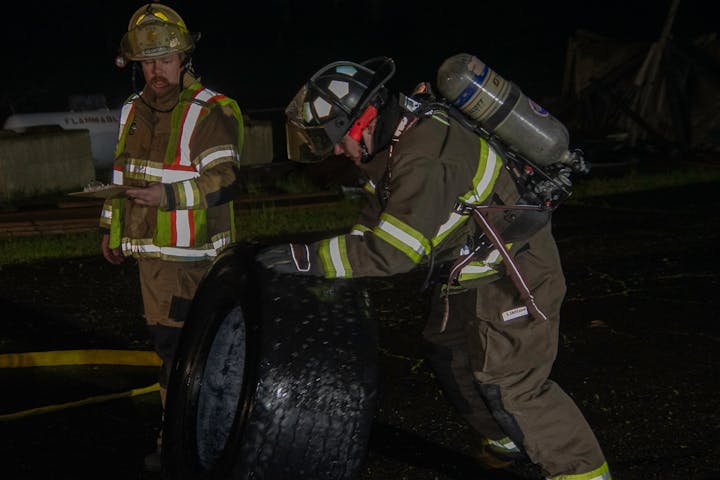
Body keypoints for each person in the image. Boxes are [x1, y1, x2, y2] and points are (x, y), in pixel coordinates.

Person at [257, 57, 611, 479]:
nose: (336, 151)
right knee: (446, 352)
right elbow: (373, 222)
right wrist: (331, 265)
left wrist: (308, 259)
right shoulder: (388, 149)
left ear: (363, 123)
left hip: (514, 273)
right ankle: (507, 437)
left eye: (336, 139)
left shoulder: (424, 154)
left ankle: (582, 471)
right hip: (468, 272)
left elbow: (396, 251)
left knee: (511, 385)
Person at [99, 3, 244, 471]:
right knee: (172, 352)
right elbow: (123, 173)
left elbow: (225, 180)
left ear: (183, 58)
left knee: (185, 354)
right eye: (146, 62)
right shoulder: (132, 109)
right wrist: (111, 227)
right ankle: (184, 437)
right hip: (151, 260)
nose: (155, 71)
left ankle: (187, 443)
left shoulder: (210, 111)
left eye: (164, 59)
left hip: (193, 259)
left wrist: (168, 196)